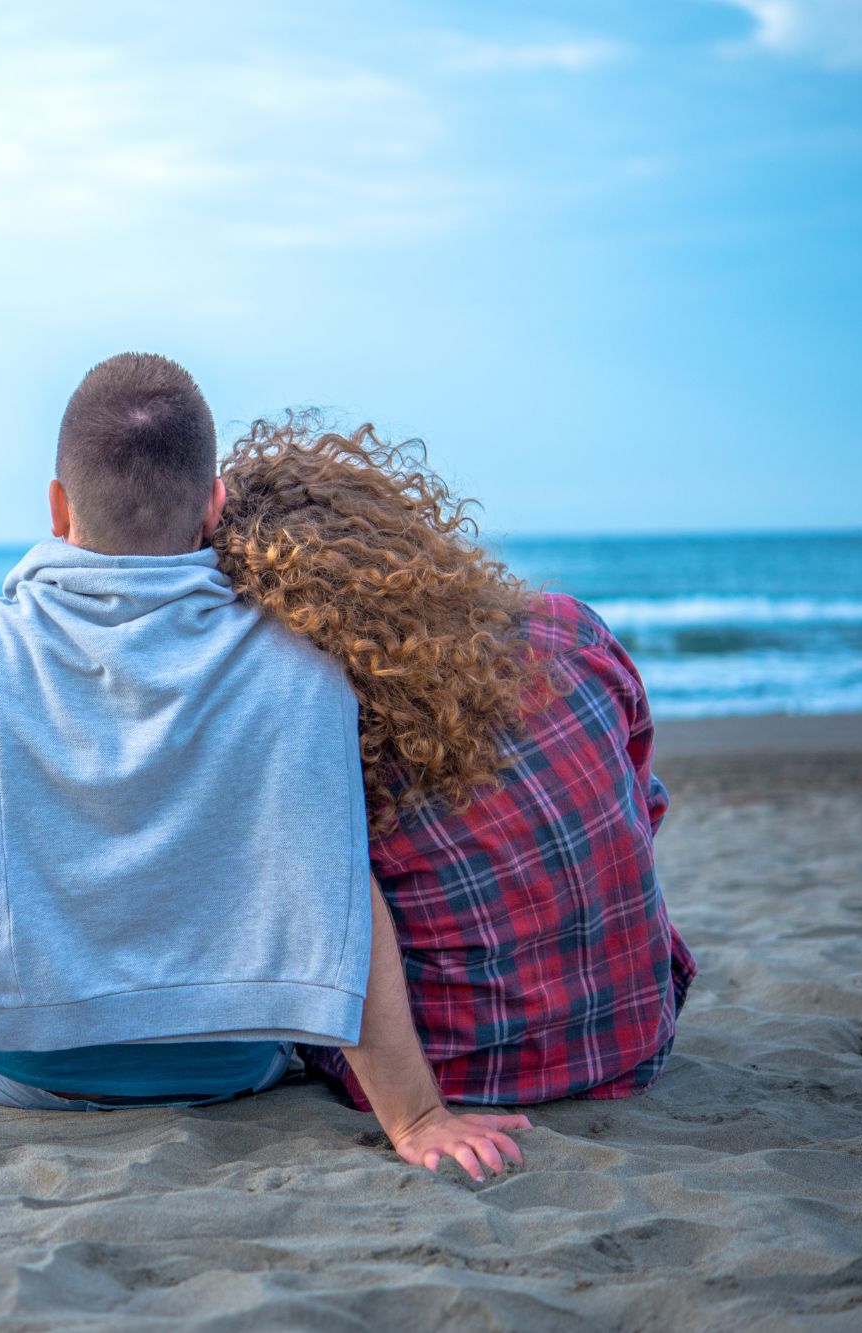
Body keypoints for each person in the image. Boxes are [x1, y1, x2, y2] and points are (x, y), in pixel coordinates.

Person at [0, 355, 528, 1176]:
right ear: (214, 505)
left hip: (22, 1071)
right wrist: (418, 1118)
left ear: (58, 505)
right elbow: (339, 895)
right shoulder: (307, 667)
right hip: (233, 1067)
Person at [211, 412, 696, 1110]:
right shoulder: (571, 630)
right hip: (637, 1037)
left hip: (460, 1076)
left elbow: (319, 930)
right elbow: (644, 808)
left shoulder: (331, 736)